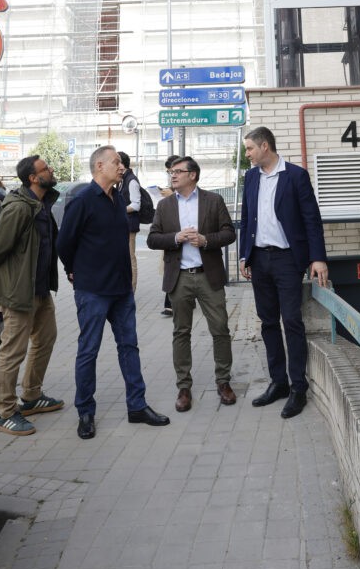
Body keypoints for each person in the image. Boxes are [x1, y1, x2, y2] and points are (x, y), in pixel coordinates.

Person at [57, 145, 170, 440]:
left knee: (129, 347)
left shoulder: (118, 199)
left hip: (121, 290)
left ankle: (137, 406)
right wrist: (74, 270)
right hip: (93, 290)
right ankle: (85, 411)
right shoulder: (82, 201)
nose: (122, 167)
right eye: (116, 162)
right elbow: (64, 243)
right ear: (99, 166)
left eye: (121, 162)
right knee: (89, 351)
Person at [239, 126, 329, 419]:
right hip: (259, 259)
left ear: (264, 146)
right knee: (268, 322)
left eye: (250, 148)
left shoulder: (295, 176)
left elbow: (311, 220)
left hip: (288, 259)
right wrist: (244, 254)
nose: (247, 154)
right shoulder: (251, 177)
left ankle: (298, 387)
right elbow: (246, 217)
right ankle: (278, 382)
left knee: (291, 320)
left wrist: (318, 258)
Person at [147, 156, 237, 412]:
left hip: (209, 275)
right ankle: (184, 387)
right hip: (180, 277)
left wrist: (206, 240)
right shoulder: (164, 205)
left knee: (220, 329)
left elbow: (229, 233)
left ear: (193, 175)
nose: (173, 175)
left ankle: (223, 382)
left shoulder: (213, 200)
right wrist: (176, 237)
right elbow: (153, 239)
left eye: (178, 171)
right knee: (181, 332)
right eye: (171, 172)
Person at [0, 155, 63, 436]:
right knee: (13, 351)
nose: (50, 170)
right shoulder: (19, 207)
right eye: (46, 168)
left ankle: (31, 396)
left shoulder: (42, 203)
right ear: (33, 177)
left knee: (46, 339)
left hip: (40, 289)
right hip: (18, 290)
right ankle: (5, 412)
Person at [159, 154, 180, 316]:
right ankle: (172, 302)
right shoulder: (173, 186)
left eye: (172, 171)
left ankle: (171, 304)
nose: (171, 175)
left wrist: (171, 195)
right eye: (169, 172)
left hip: (181, 233)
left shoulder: (186, 186)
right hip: (170, 232)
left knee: (174, 267)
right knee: (171, 266)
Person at [118, 151, 141, 292]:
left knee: (130, 257)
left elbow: (136, 204)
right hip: (124, 224)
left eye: (116, 162)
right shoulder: (121, 180)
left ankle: (132, 289)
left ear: (122, 164)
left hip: (130, 225)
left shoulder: (131, 180)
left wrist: (118, 210)